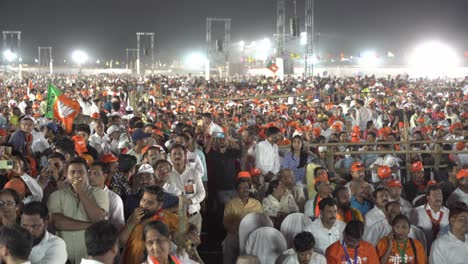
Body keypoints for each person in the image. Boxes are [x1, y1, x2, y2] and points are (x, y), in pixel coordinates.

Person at [48, 157, 109, 264]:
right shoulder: (56, 196)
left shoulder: (99, 193)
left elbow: (98, 217)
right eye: (72, 172)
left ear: (87, 174)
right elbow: (58, 223)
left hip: (90, 258)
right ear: (67, 175)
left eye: (81, 172)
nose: (77, 175)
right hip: (63, 258)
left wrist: (81, 192)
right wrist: (92, 225)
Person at [120, 185, 178, 264]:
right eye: (143, 200)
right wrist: (132, 222)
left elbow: (188, 229)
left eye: (150, 203)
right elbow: (121, 243)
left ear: (159, 205)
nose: (144, 205)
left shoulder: (166, 217)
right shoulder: (134, 216)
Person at [166, 144, 205, 233]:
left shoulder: (194, 173)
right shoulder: (167, 175)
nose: (177, 156)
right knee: (176, 246)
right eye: (174, 154)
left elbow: (202, 192)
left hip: (193, 216)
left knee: (192, 246)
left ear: (185, 156)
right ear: (170, 157)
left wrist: (190, 201)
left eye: (180, 154)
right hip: (174, 218)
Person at [223, 177, 263, 264]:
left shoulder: (256, 203)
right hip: (236, 234)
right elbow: (226, 223)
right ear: (237, 190)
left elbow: (262, 221)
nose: (245, 190)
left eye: (247, 187)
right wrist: (235, 231)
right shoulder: (231, 203)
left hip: (253, 234)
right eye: (242, 187)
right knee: (228, 242)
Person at [409, 185, 450, 252]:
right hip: (422, 251)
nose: (438, 198)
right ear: (428, 198)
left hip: (442, 252)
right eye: (434, 195)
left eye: (440, 195)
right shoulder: (415, 212)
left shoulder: (448, 213)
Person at [88, 162, 125, 230]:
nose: (91, 177)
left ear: (105, 176)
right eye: (89, 173)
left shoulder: (114, 199)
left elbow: (118, 226)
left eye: (96, 173)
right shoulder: (84, 193)